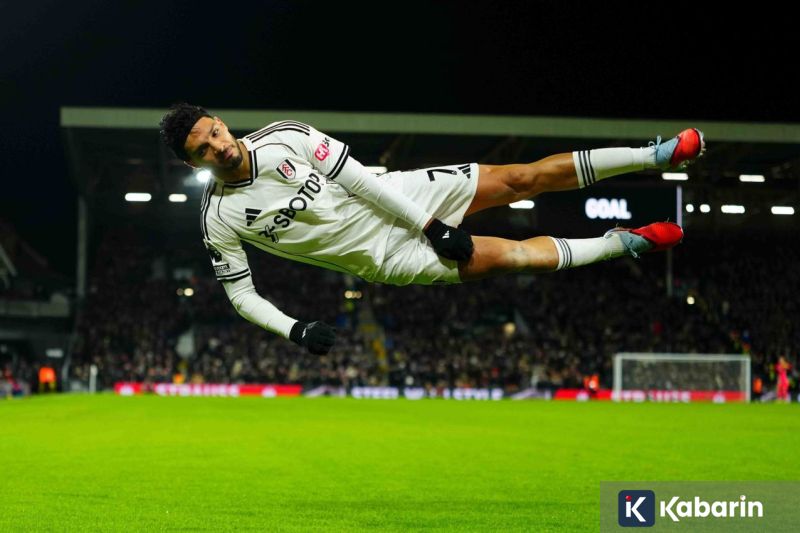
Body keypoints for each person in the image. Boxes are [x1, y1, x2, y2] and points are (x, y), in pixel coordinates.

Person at [160, 103, 704, 355]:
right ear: (195, 165)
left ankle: (653, 154)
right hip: (385, 258)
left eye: (213, 132)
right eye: (202, 150)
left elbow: (358, 179)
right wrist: (293, 328)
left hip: (402, 196)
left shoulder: (286, 137)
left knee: (522, 177)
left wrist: (432, 222)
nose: (216, 145)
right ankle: (622, 243)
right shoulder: (219, 217)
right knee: (516, 258)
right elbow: (240, 294)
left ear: (221, 122)